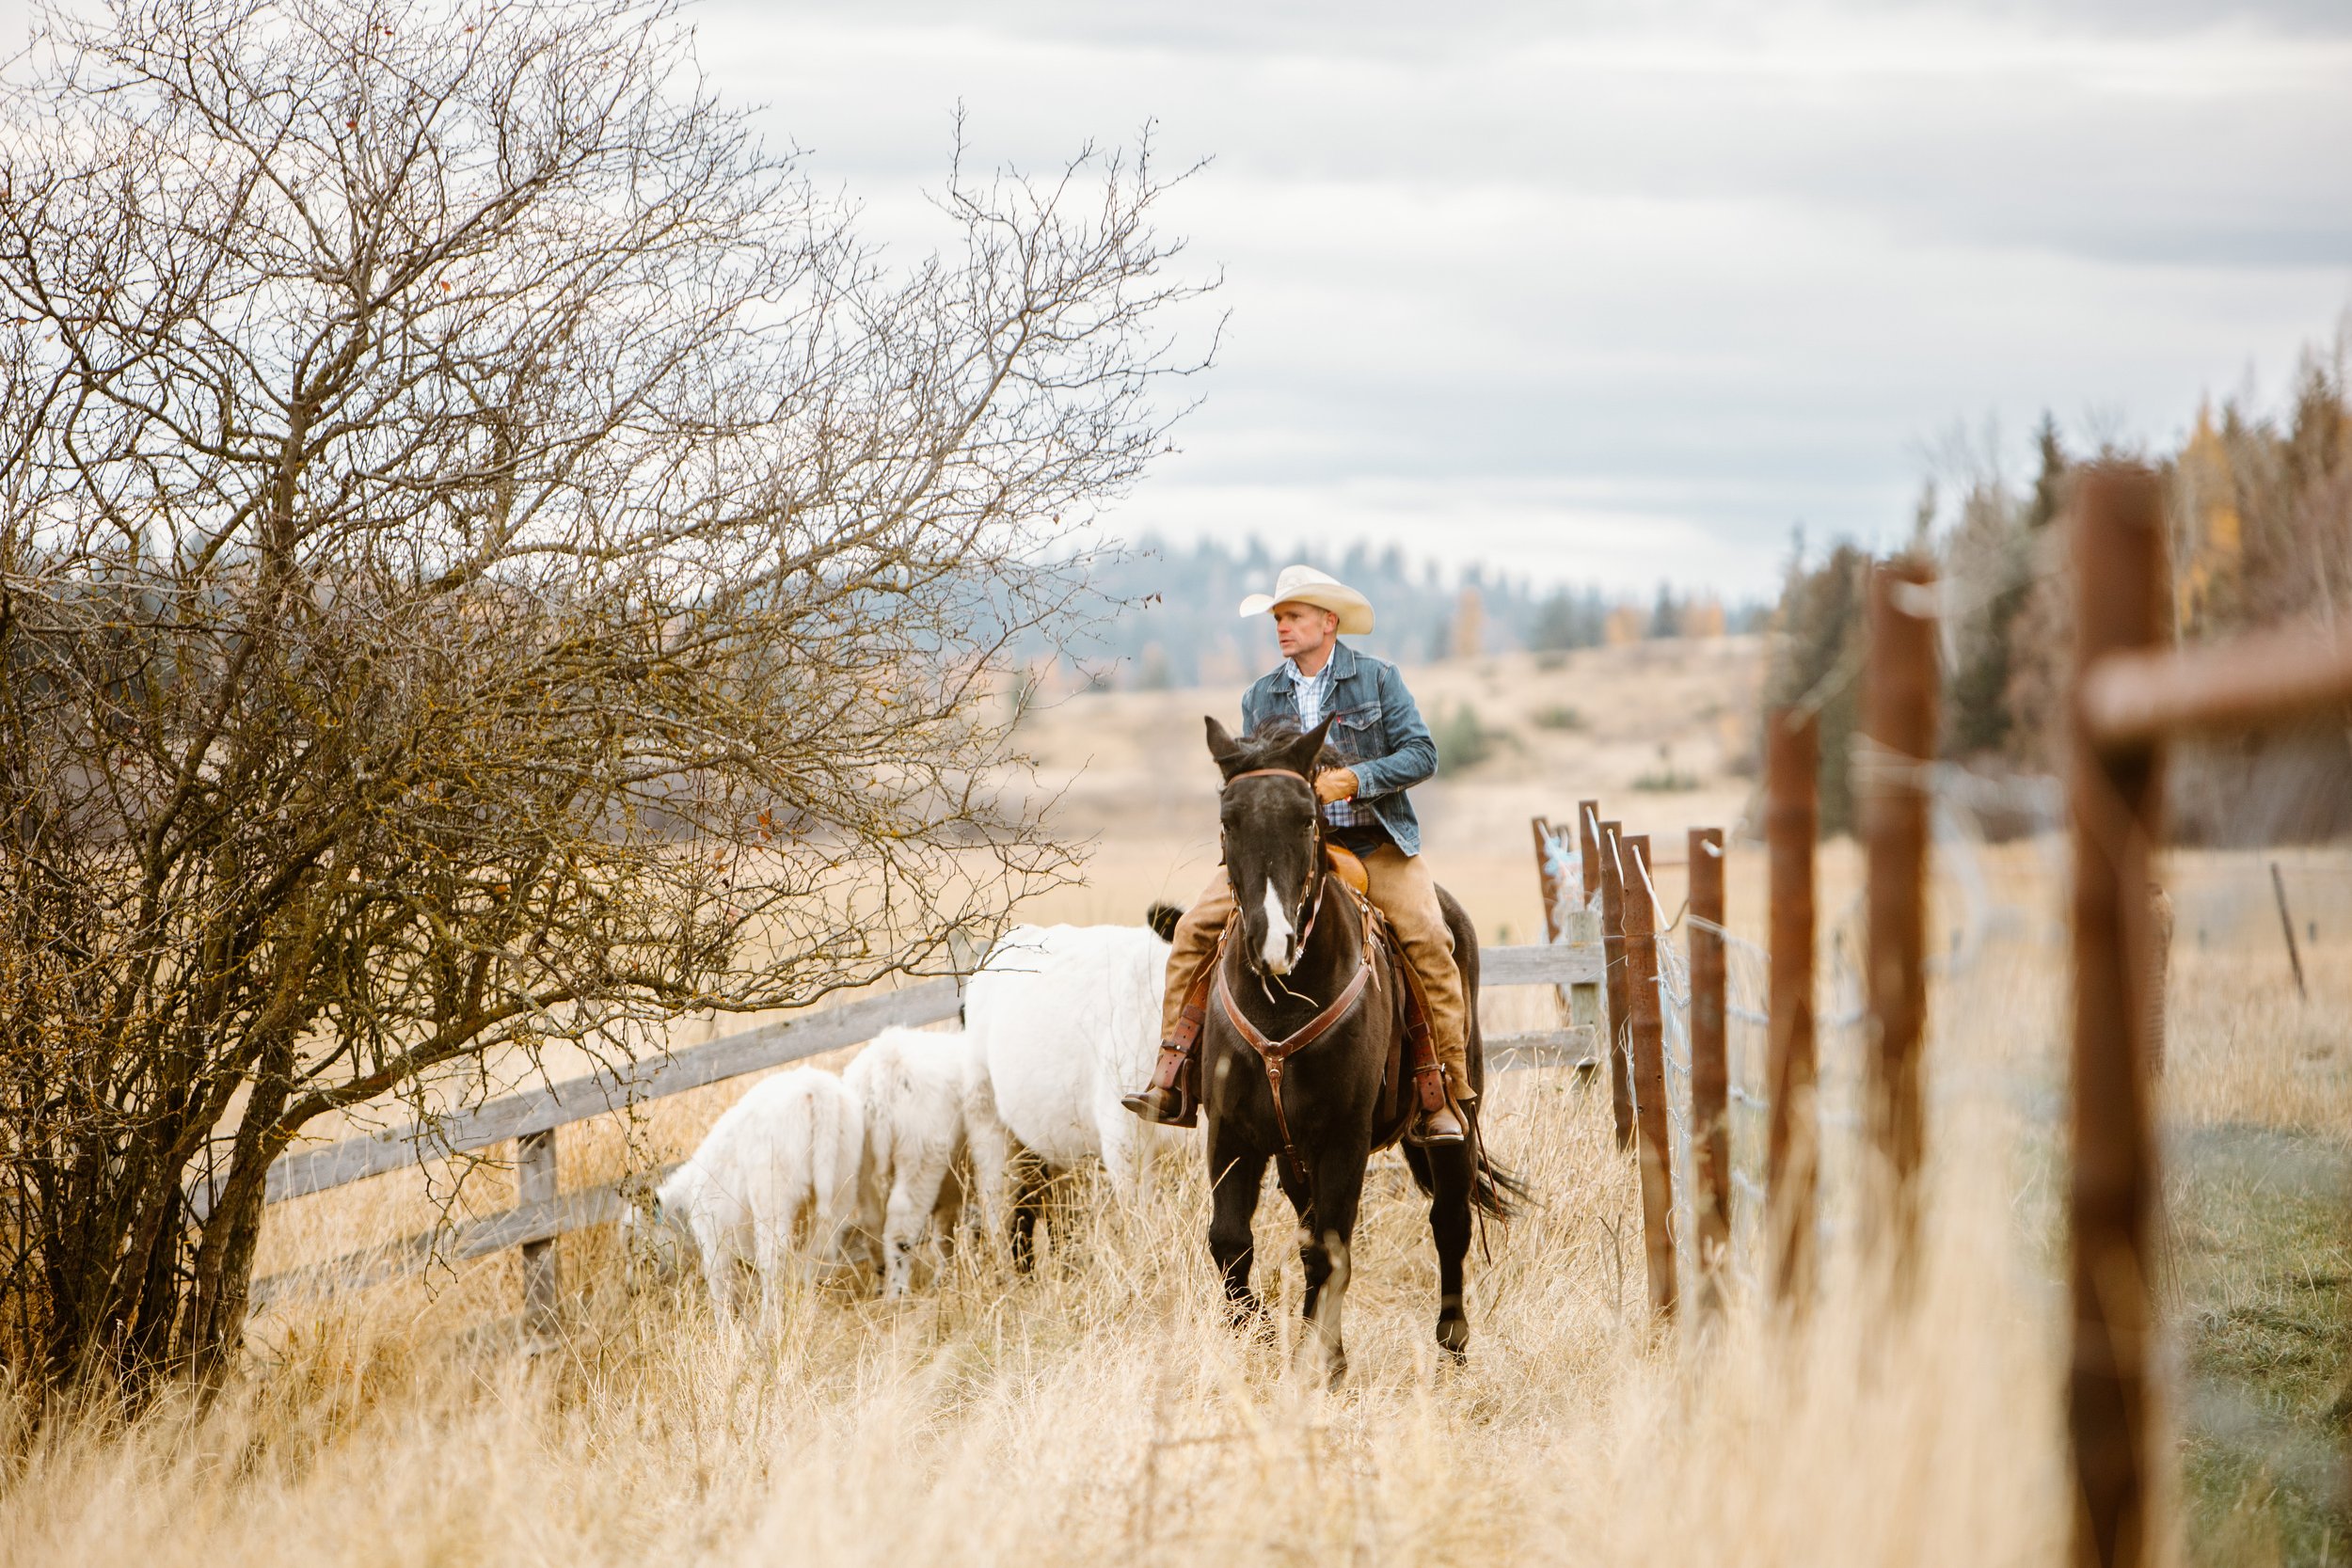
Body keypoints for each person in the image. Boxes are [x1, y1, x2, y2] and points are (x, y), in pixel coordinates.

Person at [1121, 564, 1470, 1145]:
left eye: (1292, 616)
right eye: (1278, 618)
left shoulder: (1379, 680)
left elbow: (1422, 755)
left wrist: (1353, 780)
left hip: (1371, 844)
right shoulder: (1260, 695)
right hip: (1281, 856)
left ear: (1328, 622)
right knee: (1192, 935)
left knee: (1430, 939)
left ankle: (1446, 1095)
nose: (1281, 627)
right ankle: (1174, 1074)